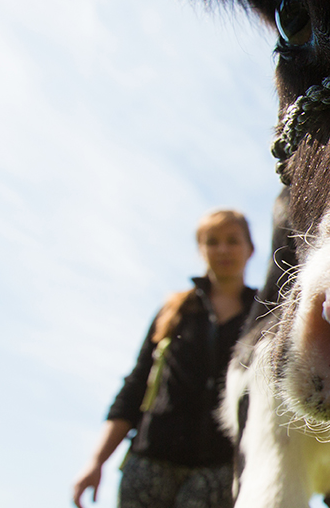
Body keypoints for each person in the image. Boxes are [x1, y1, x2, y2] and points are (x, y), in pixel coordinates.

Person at [73, 209, 257, 508]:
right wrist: (96, 461)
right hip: (150, 463)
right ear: (201, 250)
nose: (223, 249)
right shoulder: (175, 310)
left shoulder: (262, 316)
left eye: (232, 240)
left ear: (250, 249)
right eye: (212, 242)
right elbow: (135, 385)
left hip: (220, 469)